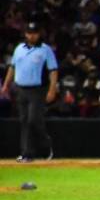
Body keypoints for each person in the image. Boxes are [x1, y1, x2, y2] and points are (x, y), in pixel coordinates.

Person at [1, 22, 58, 162]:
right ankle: (27, 153)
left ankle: (46, 147)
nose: (31, 36)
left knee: (33, 120)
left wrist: (52, 89)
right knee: (25, 121)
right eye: (29, 33)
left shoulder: (45, 50)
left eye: (34, 33)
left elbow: (53, 70)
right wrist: (5, 85)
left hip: (38, 89)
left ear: (39, 34)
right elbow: (12, 67)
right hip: (20, 88)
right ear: (25, 34)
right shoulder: (19, 48)